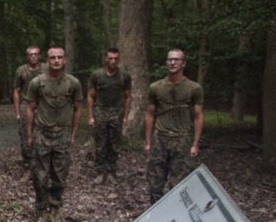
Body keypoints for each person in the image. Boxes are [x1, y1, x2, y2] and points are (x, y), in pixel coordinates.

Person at [25, 46, 83, 216]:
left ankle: (56, 204)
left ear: (65, 60)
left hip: (62, 134)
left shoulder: (73, 83)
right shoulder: (37, 83)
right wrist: (30, 134)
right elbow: (29, 108)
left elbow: (78, 108)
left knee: (60, 174)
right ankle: (41, 206)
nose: (56, 61)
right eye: (52, 58)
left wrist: (73, 133)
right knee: (39, 175)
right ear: (47, 60)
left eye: (59, 57)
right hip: (42, 133)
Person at [144, 48, 204, 204]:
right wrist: (149, 141)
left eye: (176, 60)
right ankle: (155, 213)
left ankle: (175, 213)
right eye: (170, 60)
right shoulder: (156, 87)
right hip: (160, 138)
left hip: (182, 139)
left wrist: (195, 144)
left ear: (183, 63)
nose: (172, 62)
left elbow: (198, 116)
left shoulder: (193, 88)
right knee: (155, 181)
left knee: (179, 183)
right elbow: (150, 114)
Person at [86, 48, 132, 184]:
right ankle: (100, 172)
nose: (113, 61)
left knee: (114, 144)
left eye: (116, 59)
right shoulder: (97, 75)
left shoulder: (124, 76)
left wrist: (126, 116)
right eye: (110, 58)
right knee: (100, 143)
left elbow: (128, 97)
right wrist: (90, 116)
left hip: (117, 112)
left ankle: (111, 172)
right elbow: (90, 96)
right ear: (106, 59)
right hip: (101, 112)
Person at [13, 45, 46, 167]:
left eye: (35, 54)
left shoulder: (46, 68)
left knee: (44, 133)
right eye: (31, 54)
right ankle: (28, 163)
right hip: (26, 105)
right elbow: (16, 90)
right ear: (27, 57)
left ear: (39, 56)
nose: (33, 57)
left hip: (43, 106)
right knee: (25, 133)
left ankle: (41, 162)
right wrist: (17, 112)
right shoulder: (21, 70)